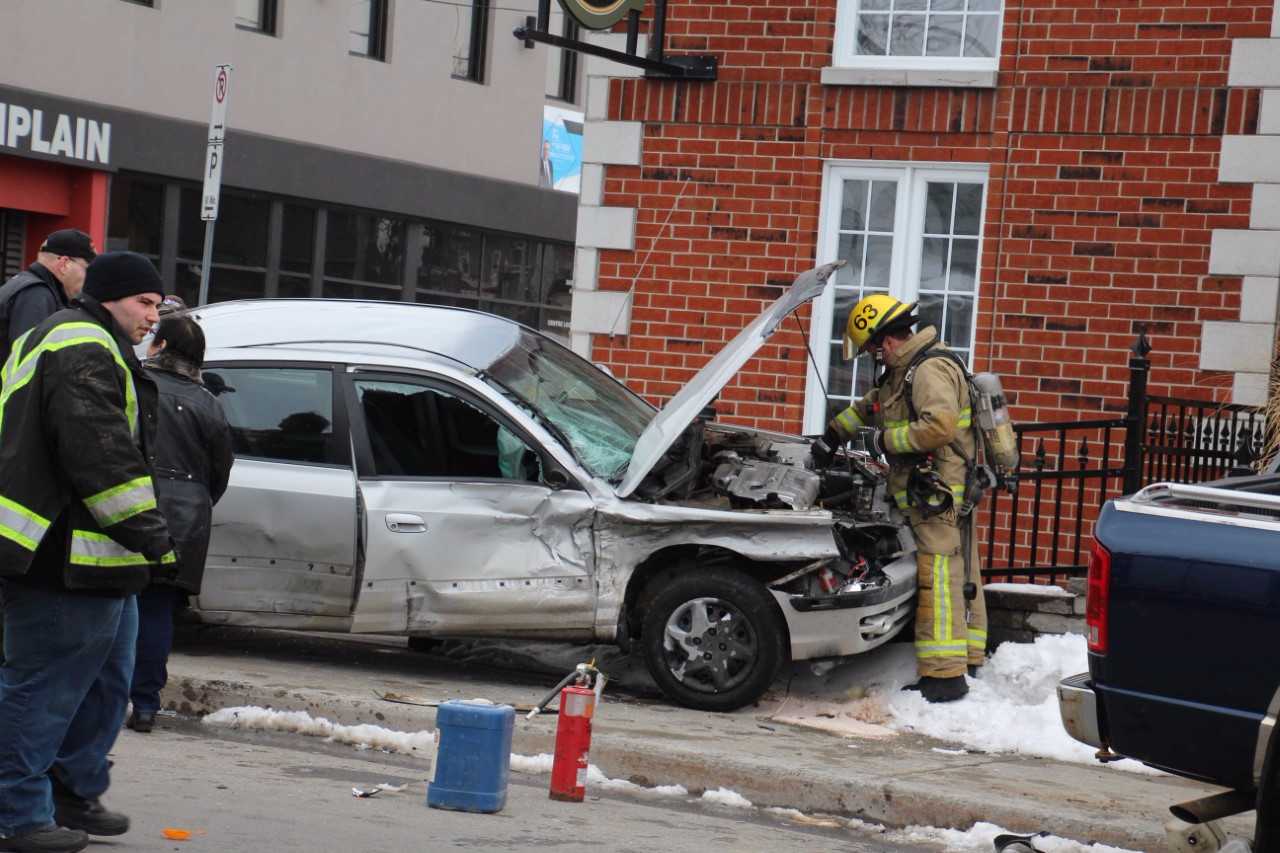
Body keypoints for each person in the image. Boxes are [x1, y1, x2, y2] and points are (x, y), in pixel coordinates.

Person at [0, 251, 175, 853]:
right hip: (55, 555)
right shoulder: (81, 342)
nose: (153, 315)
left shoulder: (93, 342)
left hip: (97, 558)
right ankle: (16, 816)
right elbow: (99, 454)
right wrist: (155, 538)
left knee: (104, 683)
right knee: (41, 689)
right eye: (143, 302)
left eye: (158, 304)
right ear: (108, 296)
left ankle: (70, 792)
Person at [813, 296, 988, 704]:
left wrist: (883, 440)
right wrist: (832, 436)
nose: (874, 356)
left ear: (886, 341)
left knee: (940, 577)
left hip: (939, 492)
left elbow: (938, 426)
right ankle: (970, 655)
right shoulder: (903, 372)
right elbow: (873, 405)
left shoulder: (928, 370)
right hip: (943, 490)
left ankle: (945, 677)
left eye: (873, 349)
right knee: (961, 572)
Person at [127, 308, 233, 733]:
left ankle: (105, 698)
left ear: (163, 347)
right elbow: (220, 471)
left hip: (131, 509)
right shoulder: (209, 404)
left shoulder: (136, 384)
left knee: (116, 608)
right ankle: (146, 704)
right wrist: (195, 503)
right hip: (186, 522)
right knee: (156, 612)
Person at [0, 230, 96, 666]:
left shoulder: (25, 288)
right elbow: (31, 372)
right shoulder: (38, 297)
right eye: (84, 266)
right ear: (63, 263)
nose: (85, 276)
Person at [0, 229, 96, 366]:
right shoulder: (36, 294)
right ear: (64, 264)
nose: (89, 278)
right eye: (88, 269)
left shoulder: (29, 286)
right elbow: (30, 363)